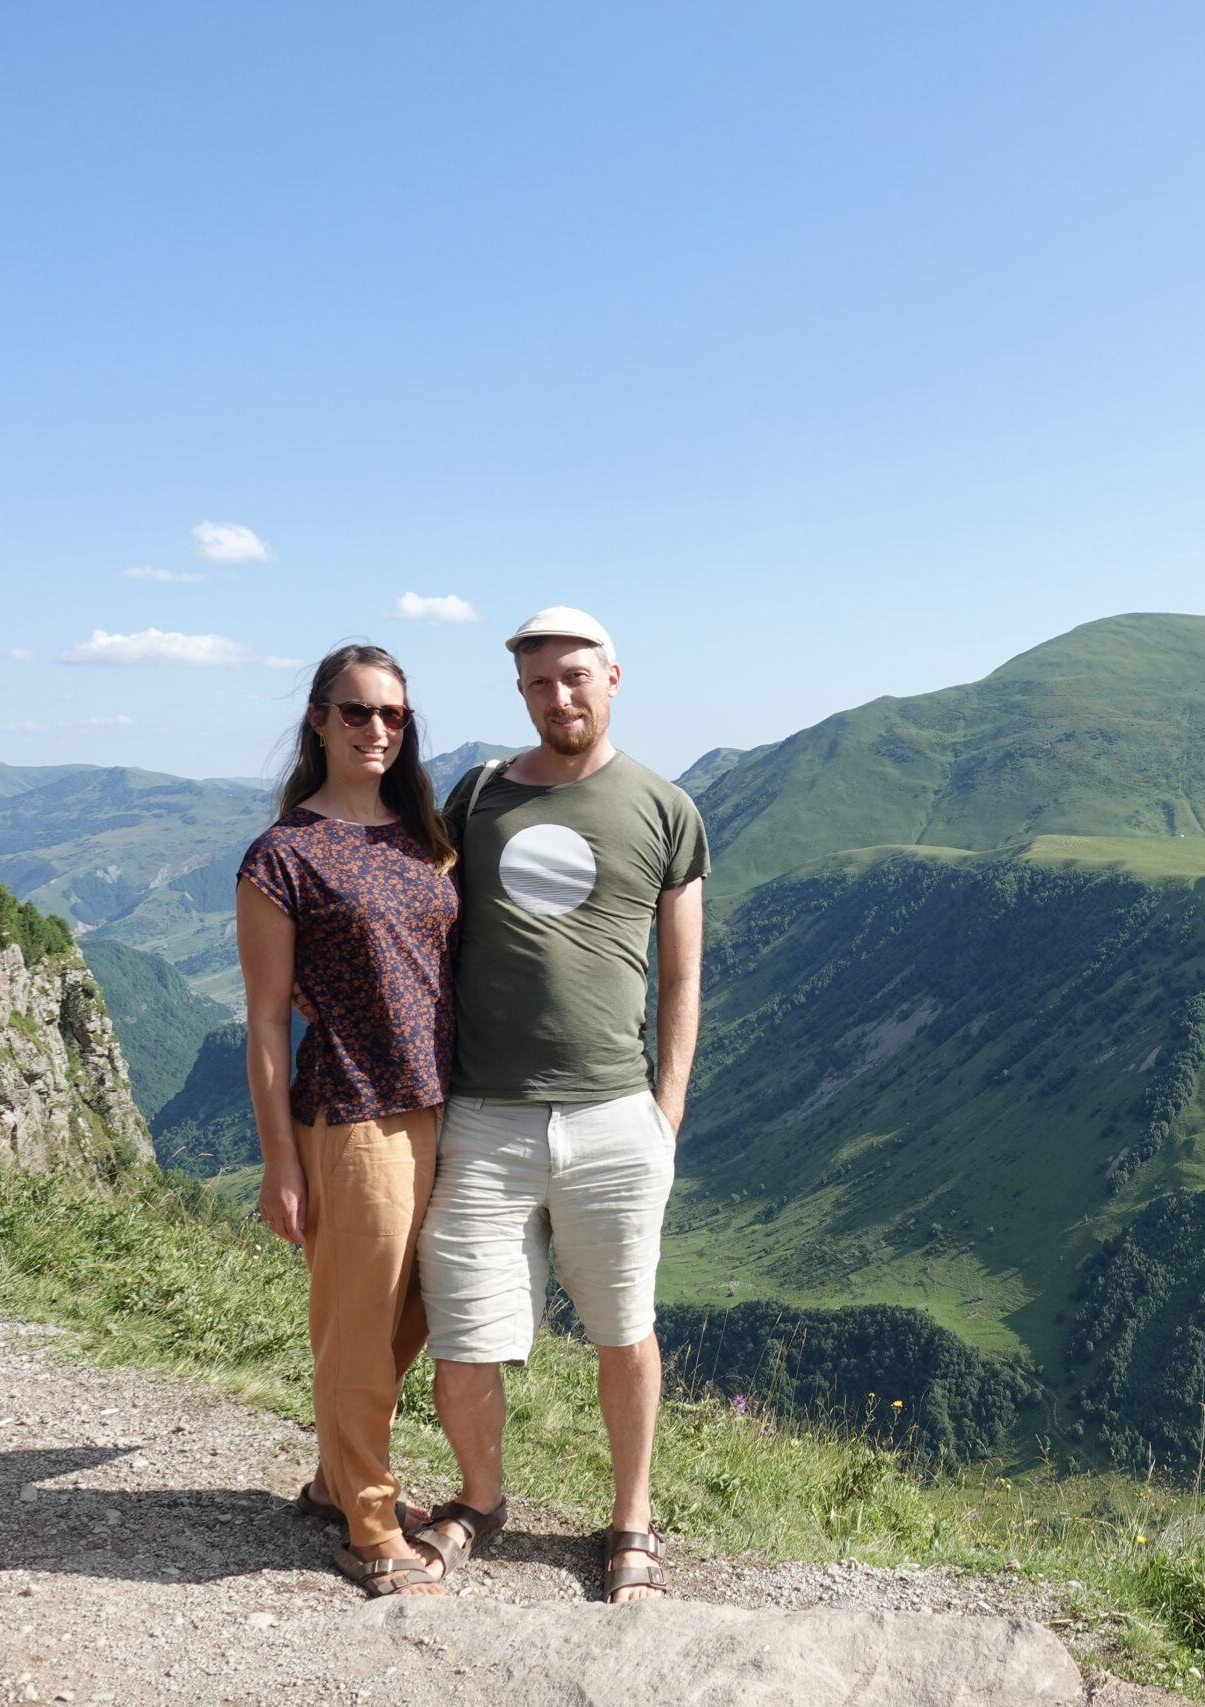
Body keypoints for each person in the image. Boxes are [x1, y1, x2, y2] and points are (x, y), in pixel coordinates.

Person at [410, 606, 706, 1603]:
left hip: (614, 1114)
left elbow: (682, 976)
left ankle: (630, 1517)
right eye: (538, 682)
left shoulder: (666, 810)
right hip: (484, 1115)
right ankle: (480, 1499)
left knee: (624, 1329)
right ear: (520, 693)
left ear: (614, 678)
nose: (557, 696)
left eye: (574, 677)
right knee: (463, 1332)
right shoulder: (480, 795)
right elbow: (422, 921)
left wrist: (665, 1107)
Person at [235, 643, 461, 1598]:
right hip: (351, 1114)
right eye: (358, 711)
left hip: (440, 1106)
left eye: (394, 715)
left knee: (415, 1312)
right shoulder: (283, 855)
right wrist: (279, 1160)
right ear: (319, 718)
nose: (378, 729)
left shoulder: (423, 834)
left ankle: (337, 1479)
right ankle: (369, 1525)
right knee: (359, 1329)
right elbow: (264, 1019)